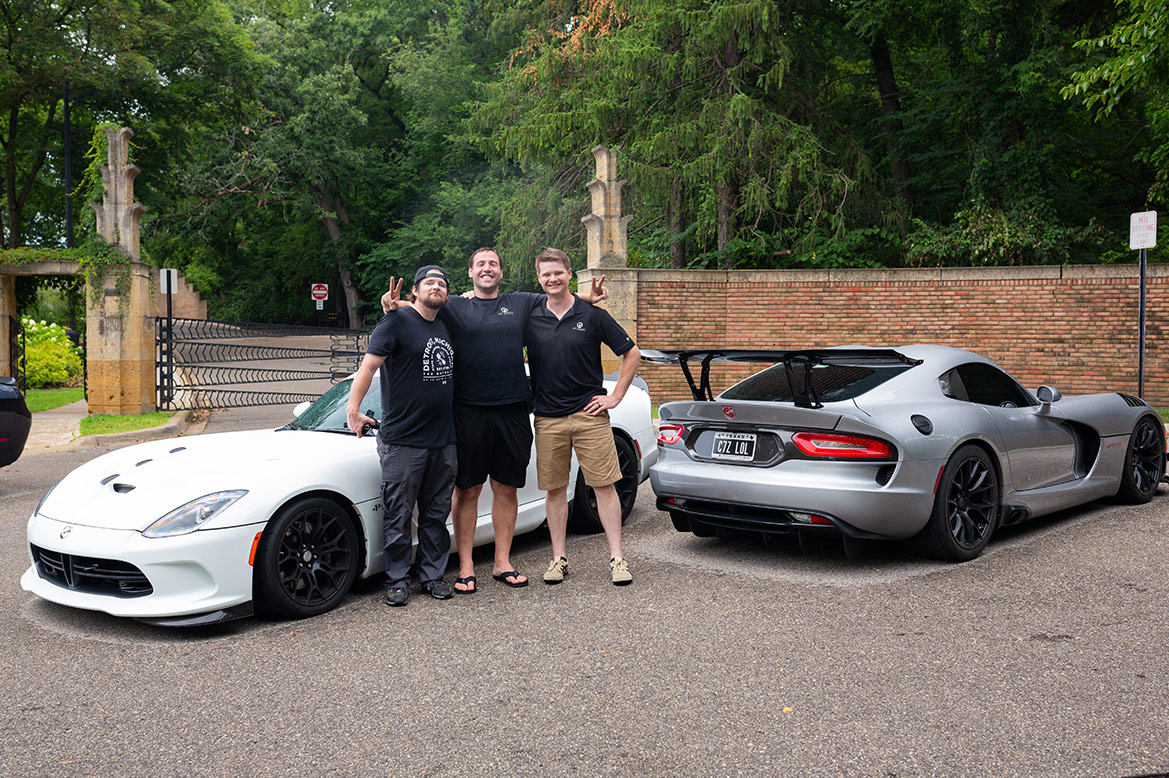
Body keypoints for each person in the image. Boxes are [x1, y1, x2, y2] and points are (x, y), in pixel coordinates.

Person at [380, 248, 606, 594]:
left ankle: (502, 562)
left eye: (494, 264)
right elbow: (422, 308)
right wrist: (392, 307)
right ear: (470, 273)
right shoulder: (454, 305)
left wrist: (590, 296)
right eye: (481, 264)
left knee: (506, 487)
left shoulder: (520, 302)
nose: (488, 269)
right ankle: (466, 567)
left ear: (501, 272)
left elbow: (557, 292)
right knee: (467, 490)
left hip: (513, 409)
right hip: (468, 411)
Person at [523, 247, 641, 586]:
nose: (552, 278)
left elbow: (630, 352)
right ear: (539, 278)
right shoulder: (531, 316)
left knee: (604, 487)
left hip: (589, 416)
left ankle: (617, 558)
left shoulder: (592, 315)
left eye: (557, 272)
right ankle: (559, 558)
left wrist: (614, 396)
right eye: (546, 274)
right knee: (555, 490)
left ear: (569, 273)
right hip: (548, 418)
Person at [347, 265, 457, 606]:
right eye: (429, 282)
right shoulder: (394, 322)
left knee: (436, 515)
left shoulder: (449, 323)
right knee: (398, 513)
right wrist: (353, 408)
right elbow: (368, 368)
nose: (435, 287)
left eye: (441, 283)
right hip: (403, 440)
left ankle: (432, 576)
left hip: (444, 439)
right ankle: (396, 580)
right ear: (414, 291)